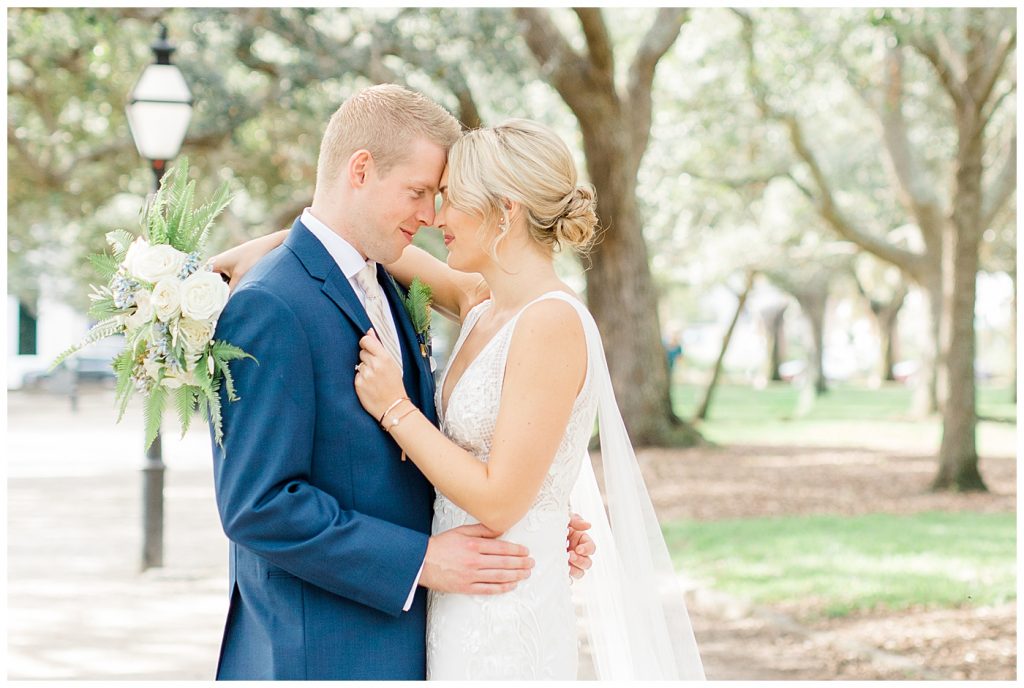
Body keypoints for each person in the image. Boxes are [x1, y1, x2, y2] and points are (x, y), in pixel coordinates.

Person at [220, 116, 704, 680]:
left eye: (448, 200)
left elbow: (501, 501)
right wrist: (267, 246)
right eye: (427, 196)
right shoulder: (479, 301)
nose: (434, 219)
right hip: (451, 602)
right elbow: (347, 237)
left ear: (505, 211)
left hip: (503, 606)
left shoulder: (551, 321)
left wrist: (395, 408)